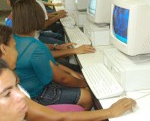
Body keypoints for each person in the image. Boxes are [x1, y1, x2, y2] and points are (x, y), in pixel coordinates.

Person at [0, 25, 137, 121]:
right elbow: (59, 117)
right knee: (88, 98)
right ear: (3, 49)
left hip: (41, 97)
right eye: (7, 93)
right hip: (43, 97)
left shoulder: (8, 72)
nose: (17, 51)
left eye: (17, 85)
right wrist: (109, 112)